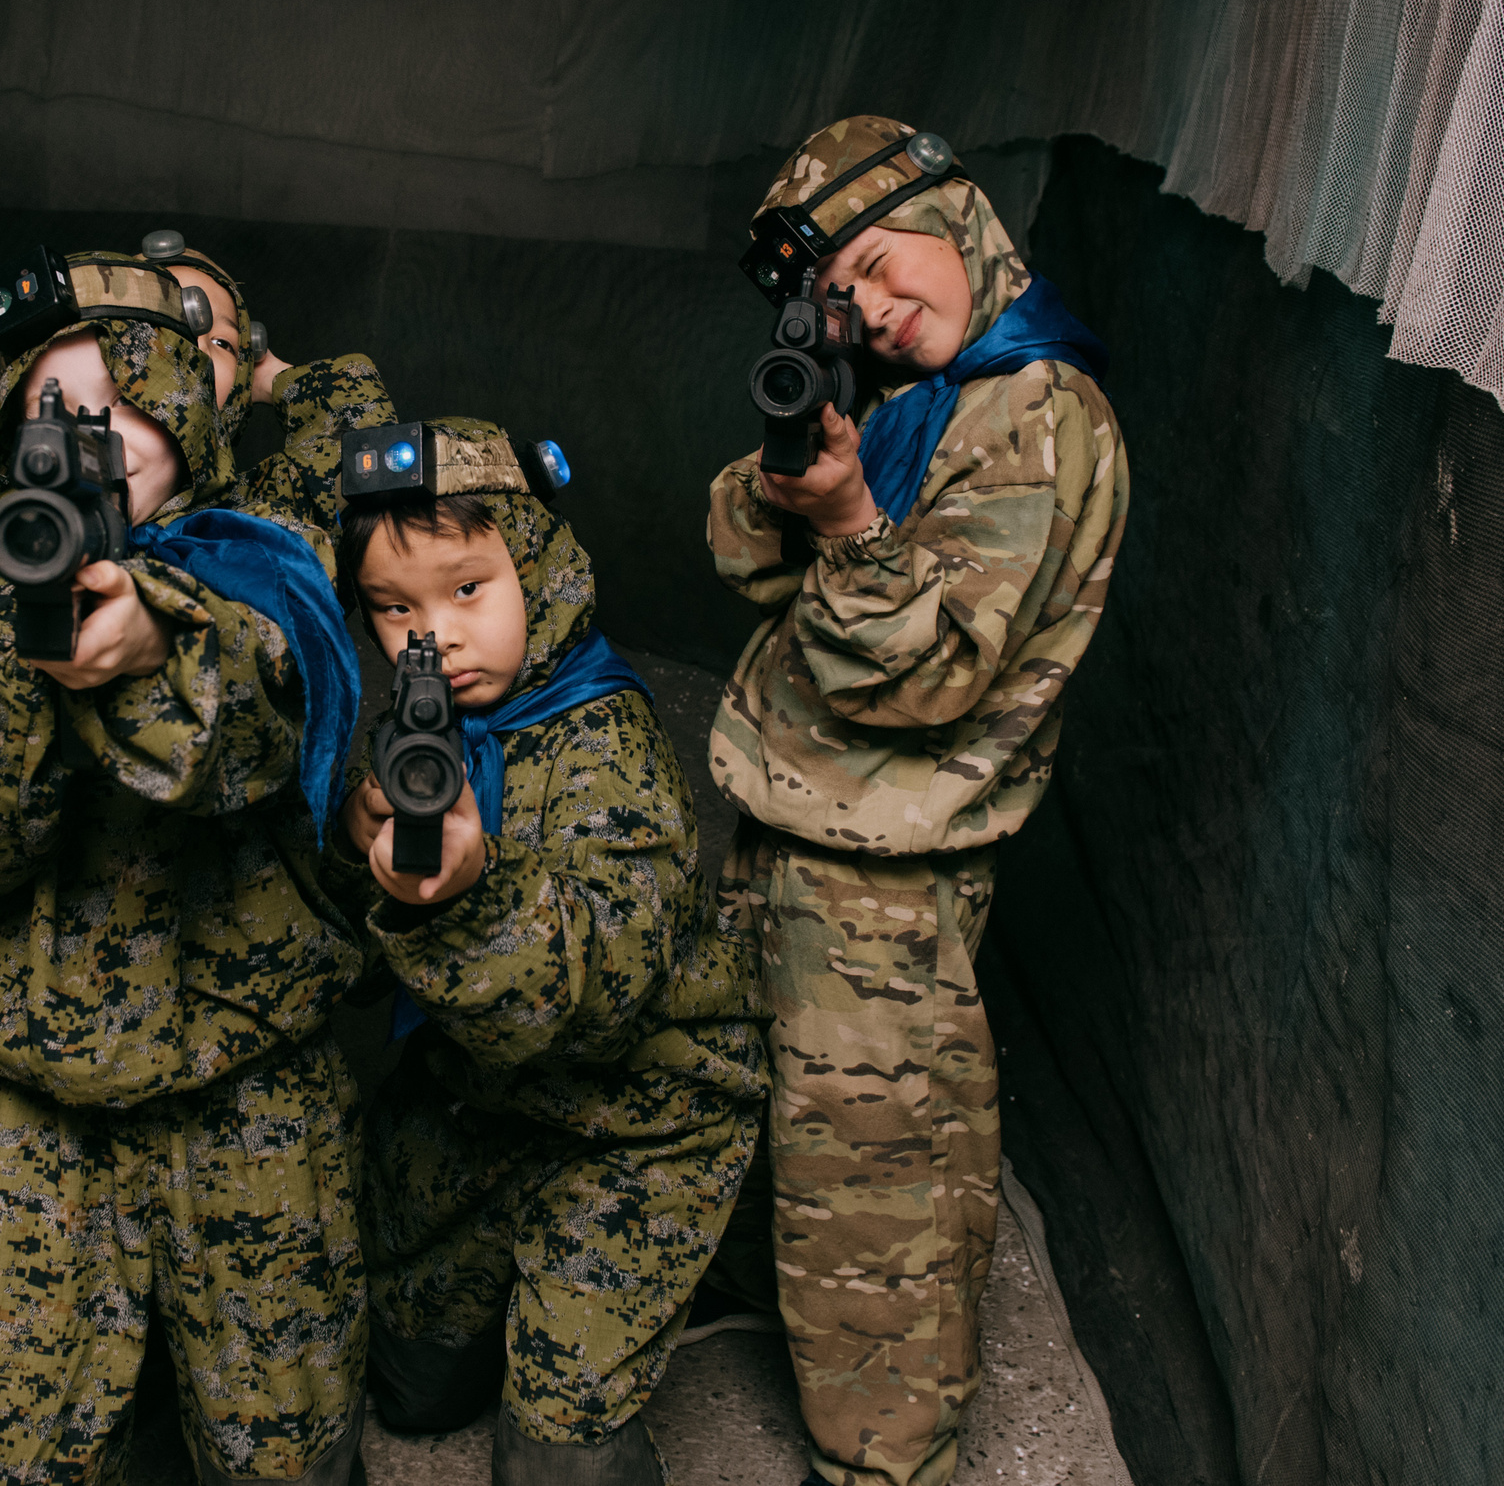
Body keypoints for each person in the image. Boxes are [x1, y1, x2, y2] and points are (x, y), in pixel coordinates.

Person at [0, 251, 373, 1486]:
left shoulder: (261, 546)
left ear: (195, 416)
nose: (92, 437)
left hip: (238, 1052)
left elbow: (255, 719)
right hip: (26, 1059)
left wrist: (139, 655)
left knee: (281, 1424)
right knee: (4, 1427)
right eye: (56, 407)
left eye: (129, 404)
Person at [705, 117, 1130, 1486]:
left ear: (962, 217)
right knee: (795, 1159)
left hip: (881, 896)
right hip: (802, 848)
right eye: (843, 304)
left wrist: (839, 522)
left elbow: (923, 674)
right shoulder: (912, 403)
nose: (880, 314)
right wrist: (799, 475)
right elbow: (731, 544)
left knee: (876, 1223)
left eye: (888, 270)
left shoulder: (1039, 412)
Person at [326, 420, 771, 1486]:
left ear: (537, 567)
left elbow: (595, 993)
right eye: (394, 608)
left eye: (468, 589)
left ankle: (675, 1269)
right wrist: (360, 834)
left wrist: (471, 895)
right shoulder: (428, 720)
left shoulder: (605, 744)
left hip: (639, 1115)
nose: (432, 638)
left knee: (554, 1463)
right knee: (409, 1387)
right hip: (492, 1099)